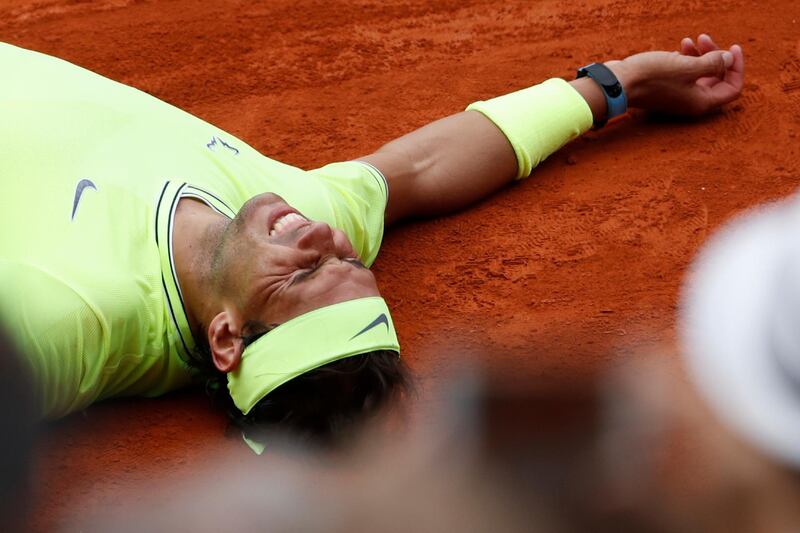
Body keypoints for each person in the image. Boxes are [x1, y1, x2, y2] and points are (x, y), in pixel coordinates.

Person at [0, 34, 744, 444]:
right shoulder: (295, 219)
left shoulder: (71, 321)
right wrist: (620, 86)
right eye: (348, 257)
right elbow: (416, 170)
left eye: (301, 273)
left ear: (226, 340)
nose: (321, 235)